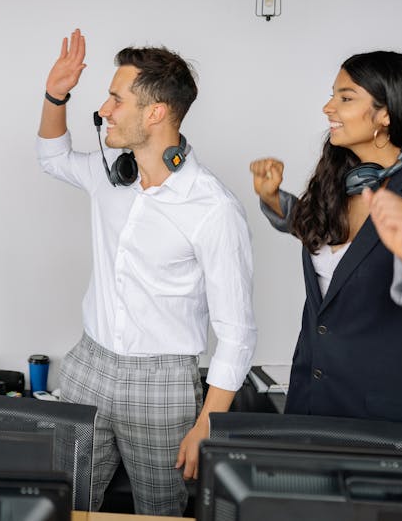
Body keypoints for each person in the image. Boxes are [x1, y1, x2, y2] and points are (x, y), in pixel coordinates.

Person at [37, 29, 257, 515]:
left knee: (160, 511)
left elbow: (237, 333)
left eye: (116, 99)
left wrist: (208, 421)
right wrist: (56, 94)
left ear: (155, 113)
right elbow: (52, 158)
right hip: (88, 365)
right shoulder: (109, 174)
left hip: (163, 383)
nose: (104, 111)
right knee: (61, 502)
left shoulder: (214, 209)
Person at [249, 51, 402, 452]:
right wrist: (274, 200)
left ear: (385, 114)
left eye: (345, 97)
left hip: (391, 430)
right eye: (332, 95)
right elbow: (329, 245)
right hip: (312, 410)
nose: (328, 107)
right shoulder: (345, 177)